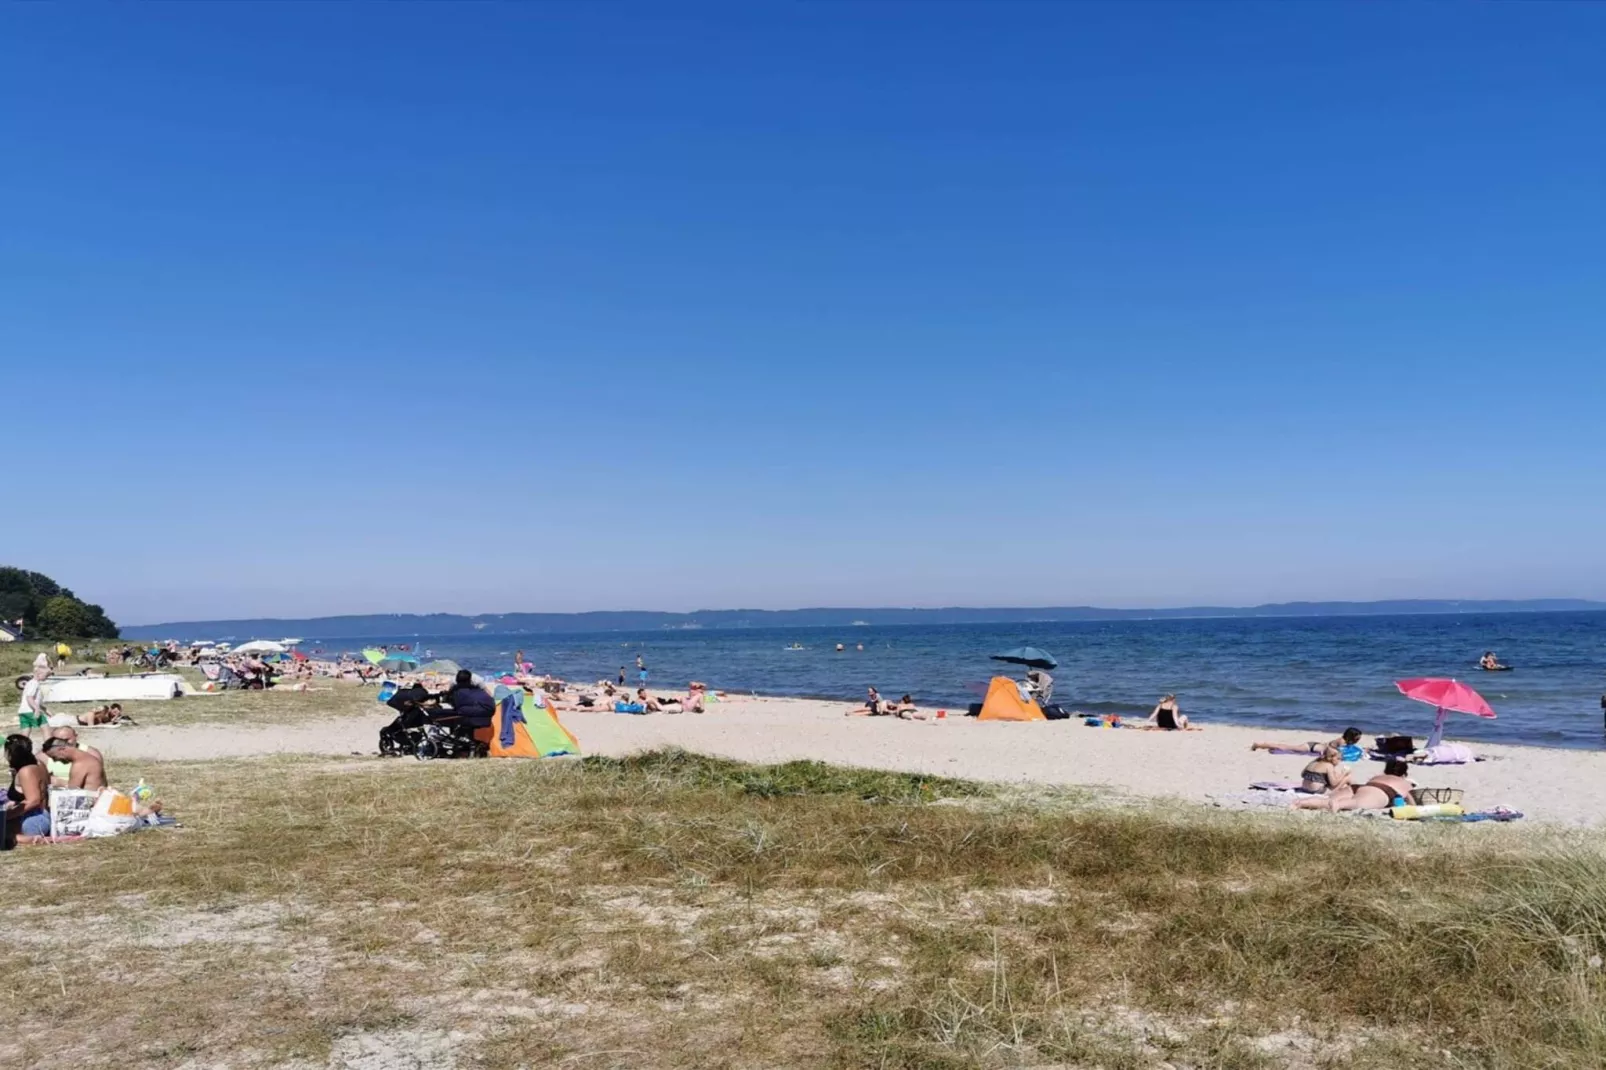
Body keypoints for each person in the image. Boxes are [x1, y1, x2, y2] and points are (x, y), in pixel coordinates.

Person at [1296, 759, 1415, 812]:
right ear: (1404, 773)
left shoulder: (1378, 777)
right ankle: (1337, 804)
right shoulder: (1405, 782)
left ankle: (1301, 802)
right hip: (1380, 791)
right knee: (1355, 803)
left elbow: (1369, 786)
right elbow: (1410, 797)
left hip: (1361, 786)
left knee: (1328, 800)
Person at [4, 733, 51, 841]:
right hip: (41, 816)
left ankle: (31, 839)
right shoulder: (39, 764)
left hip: (32, 820)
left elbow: (34, 800)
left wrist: (7, 815)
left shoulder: (26, 771)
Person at [39, 734, 106, 790]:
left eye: (54, 757)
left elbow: (72, 792)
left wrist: (59, 782)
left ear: (62, 749)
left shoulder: (80, 764)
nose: (55, 761)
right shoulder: (88, 758)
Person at [1251, 727, 1364, 759]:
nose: (1358, 740)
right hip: (1312, 747)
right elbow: (1340, 753)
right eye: (1357, 738)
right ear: (1351, 736)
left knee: (1287, 748)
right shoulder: (1341, 742)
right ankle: (1260, 744)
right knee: (1286, 747)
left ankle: (1268, 747)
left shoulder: (1344, 741)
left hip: (1315, 745)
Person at [17, 666, 47, 732]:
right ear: (39, 674)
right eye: (46, 675)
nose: (47, 677)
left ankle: (21, 742)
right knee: (46, 728)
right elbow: (29, 697)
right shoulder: (34, 683)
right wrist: (36, 709)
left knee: (26, 730)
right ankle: (48, 742)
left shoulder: (29, 683)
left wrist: (45, 709)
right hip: (31, 711)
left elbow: (34, 699)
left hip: (23, 711)